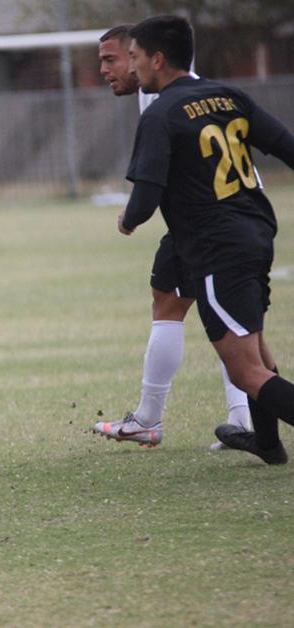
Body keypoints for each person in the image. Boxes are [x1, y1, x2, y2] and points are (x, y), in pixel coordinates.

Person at [119, 15, 294, 465]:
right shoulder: (228, 95)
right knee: (253, 347)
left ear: (158, 59)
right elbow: (286, 145)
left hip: (217, 245)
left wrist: (127, 220)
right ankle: (269, 446)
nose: (132, 66)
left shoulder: (160, 114)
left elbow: (146, 196)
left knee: (245, 369)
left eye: (135, 57)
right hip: (256, 231)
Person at [93, 24, 251, 450]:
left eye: (111, 59)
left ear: (141, 56)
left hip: (212, 227)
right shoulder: (200, 90)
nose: (104, 69)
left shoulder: (160, 99)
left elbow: (151, 184)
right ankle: (244, 421)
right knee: (181, 302)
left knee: (224, 326)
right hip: (234, 219)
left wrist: (131, 216)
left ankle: (152, 419)